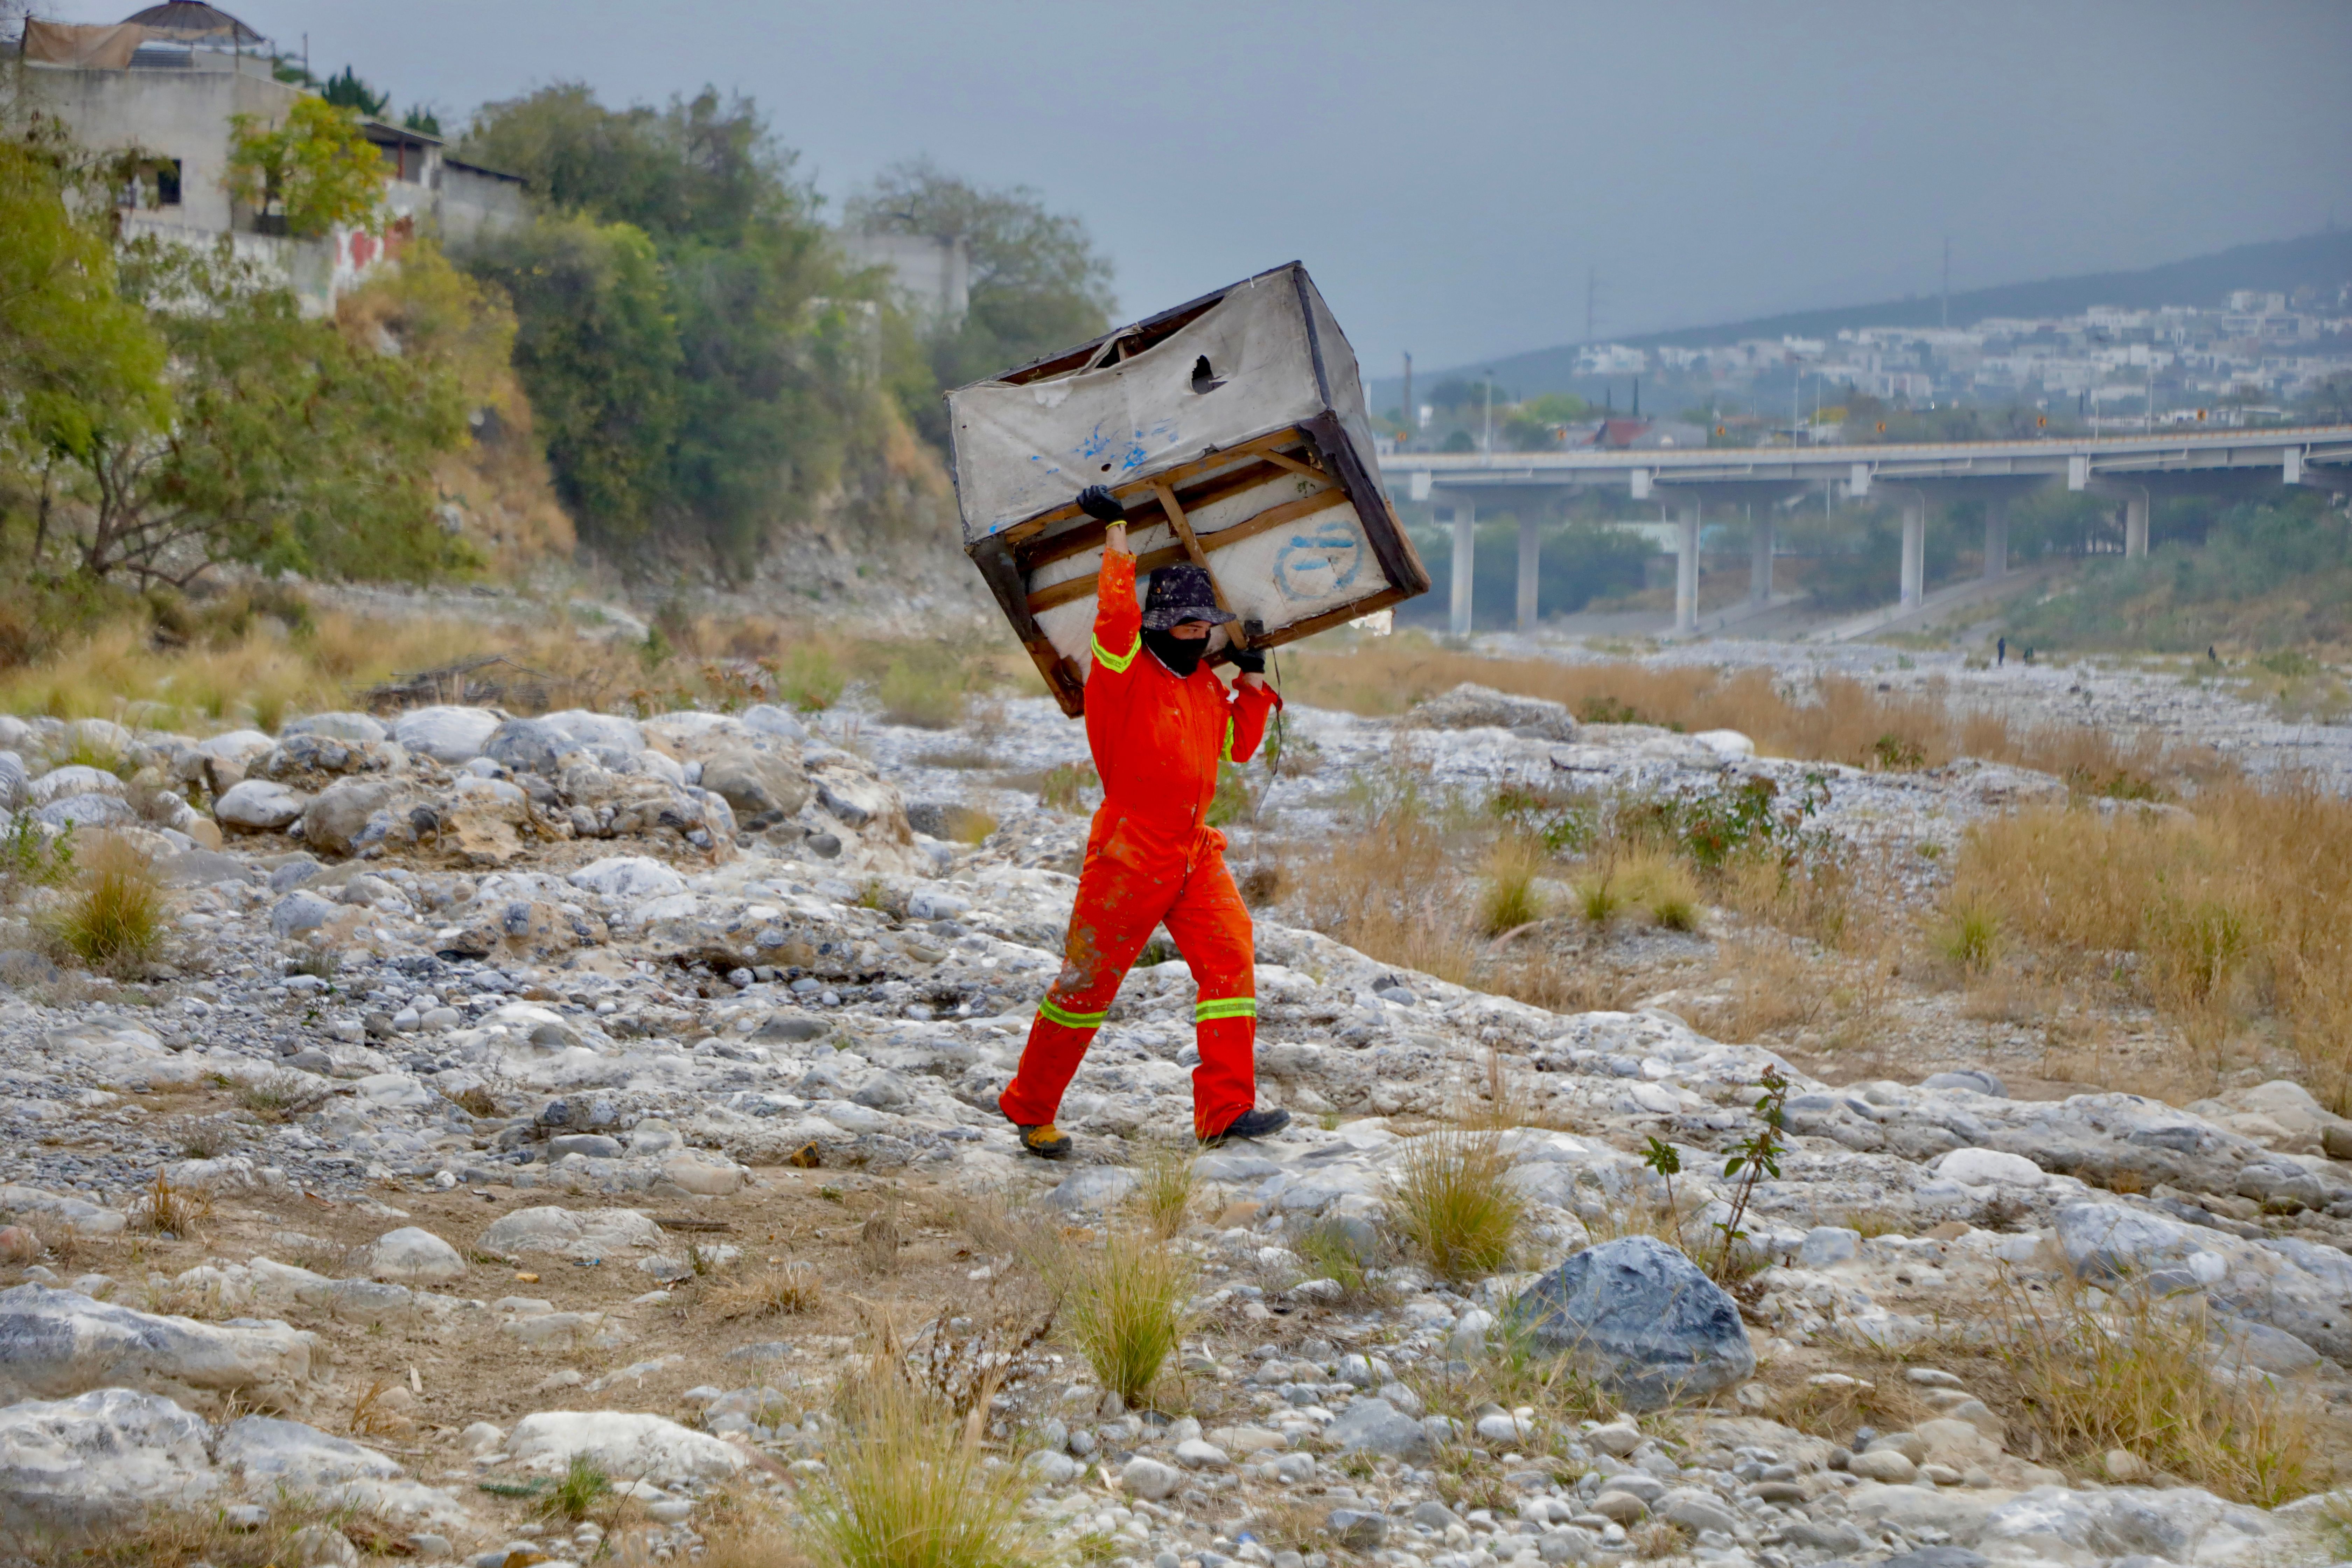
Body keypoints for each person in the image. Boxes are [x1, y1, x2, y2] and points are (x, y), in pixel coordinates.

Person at [998, 484, 1293, 1158]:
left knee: (1231, 957)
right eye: (1186, 625)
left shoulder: (1202, 686)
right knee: (1086, 983)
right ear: (1158, 625)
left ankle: (1225, 1110)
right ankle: (1030, 1106)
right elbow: (1113, 616)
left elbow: (1239, 748)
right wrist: (1116, 536)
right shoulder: (1121, 673)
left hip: (1194, 853)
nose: (1198, 634)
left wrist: (1250, 680)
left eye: (1204, 626)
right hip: (1129, 854)